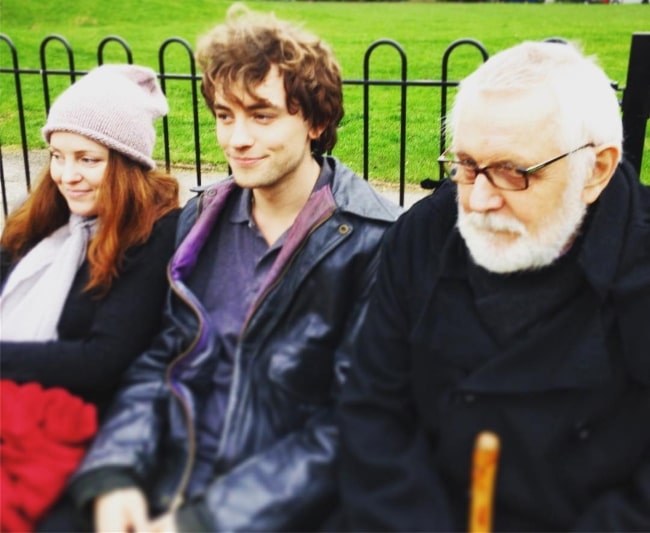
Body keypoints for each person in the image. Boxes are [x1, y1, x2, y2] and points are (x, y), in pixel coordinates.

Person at [67, 4, 401, 532]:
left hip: (278, 511)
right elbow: (164, 359)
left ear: (315, 120)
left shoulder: (373, 239)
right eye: (225, 115)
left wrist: (206, 521)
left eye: (261, 115)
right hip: (162, 484)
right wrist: (113, 471)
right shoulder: (201, 218)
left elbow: (350, 419)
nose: (236, 139)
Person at [338, 40, 650, 531]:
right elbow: (371, 408)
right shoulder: (423, 235)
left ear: (597, 170)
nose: (479, 200)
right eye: (466, 165)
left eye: (512, 172)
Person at [0, 64, 180, 529]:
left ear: (125, 163)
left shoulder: (152, 234)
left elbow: (103, 360)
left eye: (87, 158)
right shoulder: (47, 217)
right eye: (58, 155)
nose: (66, 174)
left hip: (75, 425)